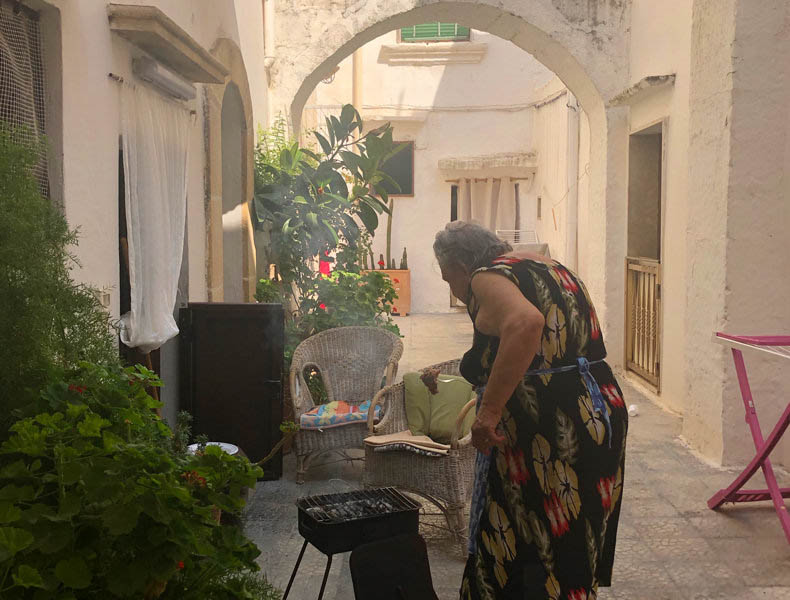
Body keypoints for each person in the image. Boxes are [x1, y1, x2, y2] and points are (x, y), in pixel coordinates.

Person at [433, 221, 627, 600]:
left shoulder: (484, 277)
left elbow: (526, 323)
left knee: (528, 530)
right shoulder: (545, 264)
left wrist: (487, 414)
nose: (452, 289)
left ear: (460, 265)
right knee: (570, 527)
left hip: (552, 422)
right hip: (598, 407)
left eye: (446, 277)